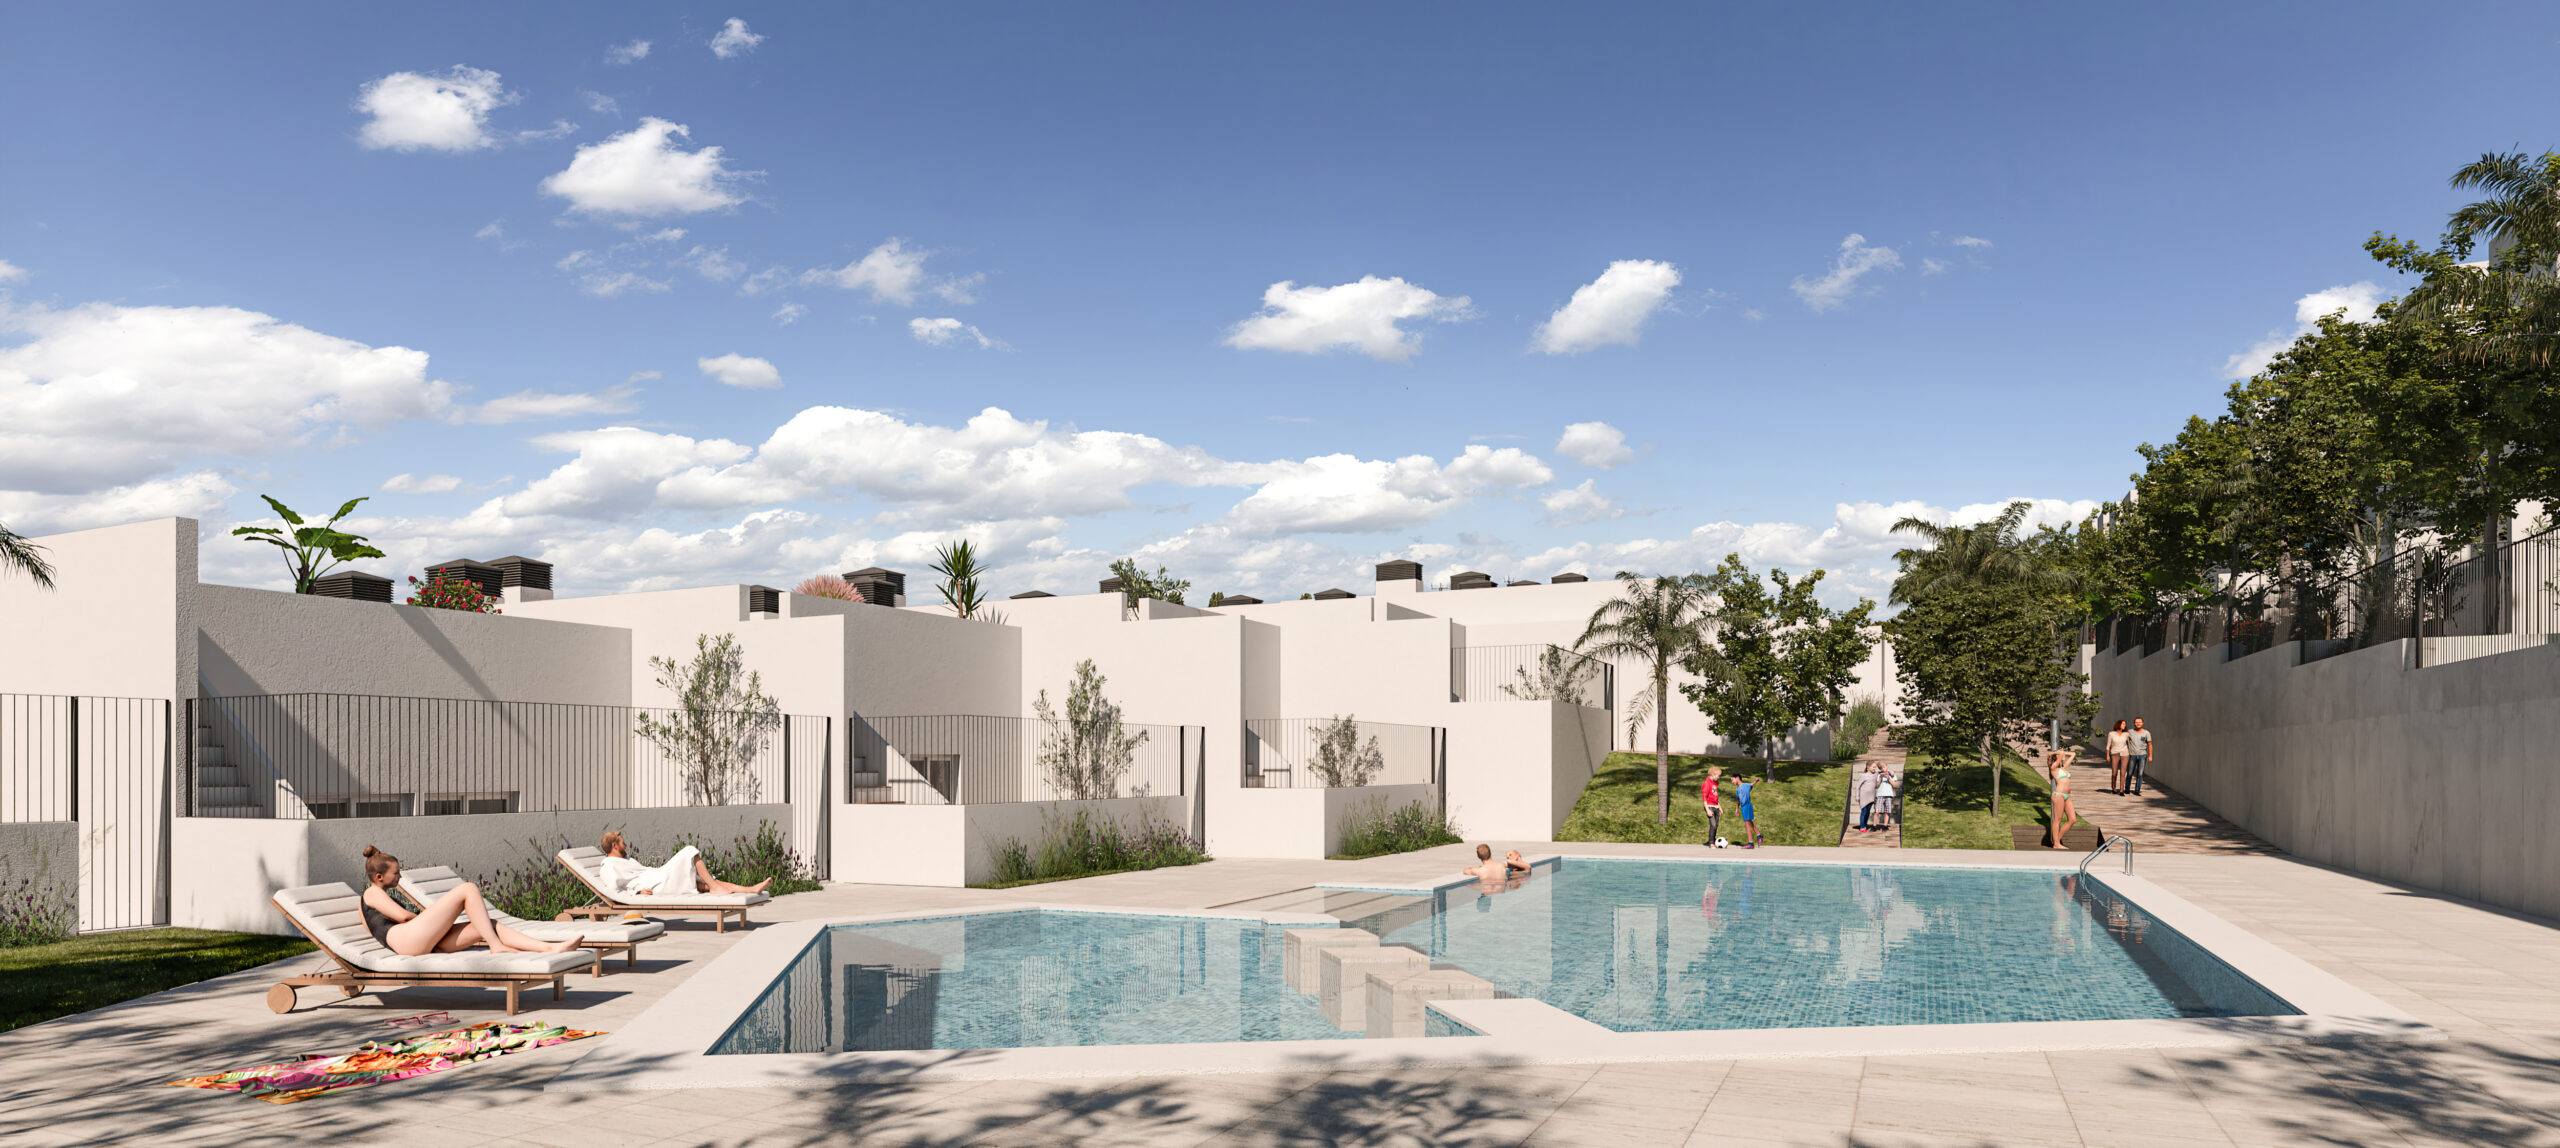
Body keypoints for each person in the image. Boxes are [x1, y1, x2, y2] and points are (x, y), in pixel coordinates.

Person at [357, 846, 581, 956]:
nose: (400, 876)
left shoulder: (377, 896)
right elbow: (403, 916)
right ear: (379, 877)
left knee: (487, 925)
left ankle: (550, 948)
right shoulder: (371, 893)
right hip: (406, 941)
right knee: (468, 889)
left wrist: (436, 927)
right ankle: (496, 946)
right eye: (395, 873)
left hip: (415, 940)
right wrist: (435, 919)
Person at [597, 831, 771, 897]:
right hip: (657, 885)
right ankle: (715, 887)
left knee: (705, 882)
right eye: (622, 842)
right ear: (614, 846)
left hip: (659, 876)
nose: (626, 845)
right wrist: (636, 891)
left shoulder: (626, 859)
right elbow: (614, 889)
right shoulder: (609, 866)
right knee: (689, 850)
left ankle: (751, 889)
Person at [2046, 750, 2080, 850]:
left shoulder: (2062, 767)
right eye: (2060, 755)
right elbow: (2060, 754)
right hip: (2059, 795)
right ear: (2057, 757)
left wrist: (2063, 752)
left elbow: (2073, 754)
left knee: (2072, 819)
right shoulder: (2053, 768)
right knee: (2058, 819)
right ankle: (2056, 843)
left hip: (2067, 795)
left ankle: (2057, 841)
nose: (2063, 755)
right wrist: (2052, 753)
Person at [2126, 718, 2155, 797]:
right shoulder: (2130, 732)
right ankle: (2127, 789)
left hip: (2142, 755)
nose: (2138, 723)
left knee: (2140, 773)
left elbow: (2150, 745)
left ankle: (2137, 790)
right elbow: (2125, 742)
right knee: (2129, 773)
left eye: (2139, 722)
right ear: (2134, 723)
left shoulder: (2146, 733)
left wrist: (2150, 756)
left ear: (2142, 723)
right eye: (2136, 722)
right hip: (2132, 755)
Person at [2103, 720, 2131, 794]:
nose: (2124, 725)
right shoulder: (2111, 734)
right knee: (2114, 773)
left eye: (2125, 724)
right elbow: (2108, 745)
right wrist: (2107, 755)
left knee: (2123, 773)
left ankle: (2121, 790)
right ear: (2118, 724)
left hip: (2125, 754)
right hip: (2115, 754)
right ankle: (2114, 788)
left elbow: (2129, 744)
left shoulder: (2126, 734)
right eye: (2123, 724)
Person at [1735, 775, 1761, 848]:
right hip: (1743, 807)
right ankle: (1759, 836)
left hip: (1747, 806)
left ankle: (1751, 843)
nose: (1732, 782)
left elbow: (1752, 785)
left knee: (1747, 824)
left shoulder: (1745, 785)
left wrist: (1756, 781)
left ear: (1737, 778)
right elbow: (1738, 800)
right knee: (1749, 821)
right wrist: (1737, 809)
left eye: (1732, 779)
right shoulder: (1737, 790)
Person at [1852, 763, 1879, 833]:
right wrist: (1857, 797)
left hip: (1871, 797)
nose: (1874, 769)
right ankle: (1862, 827)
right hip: (1863, 797)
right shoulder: (1864, 776)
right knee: (1864, 812)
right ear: (1868, 767)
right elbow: (1858, 787)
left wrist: (1890, 772)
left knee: (1867, 812)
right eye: (1873, 767)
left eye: (1875, 767)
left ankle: (1864, 825)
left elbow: (1883, 772)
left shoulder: (1875, 774)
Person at [1700, 767, 1724, 846]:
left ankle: (1713, 839)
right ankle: (1711, 842)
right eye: (1718, 775)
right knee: (1713, 824)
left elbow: (1715, 797)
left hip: (1716, 806)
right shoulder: (1707, 783)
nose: (1718, 777)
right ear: (1713, 774)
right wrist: (1707, 810)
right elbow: (1704, 797)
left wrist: (1719, 807)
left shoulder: (1715, 783)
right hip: (1709, 806)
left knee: (1716, 825)